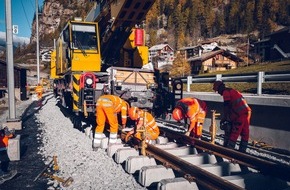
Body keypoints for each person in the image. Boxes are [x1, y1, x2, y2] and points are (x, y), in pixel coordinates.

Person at [213, 80, 252, 152]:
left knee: (234, 133)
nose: (218, 92)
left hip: (240, 115)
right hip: (247, 112)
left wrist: (225, 118)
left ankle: (229, 151)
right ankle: (242, 152)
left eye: (217, 90)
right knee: (245, 133)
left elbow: (226, 106)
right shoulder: (232, 90)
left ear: (219, 88)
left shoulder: (225, 92)